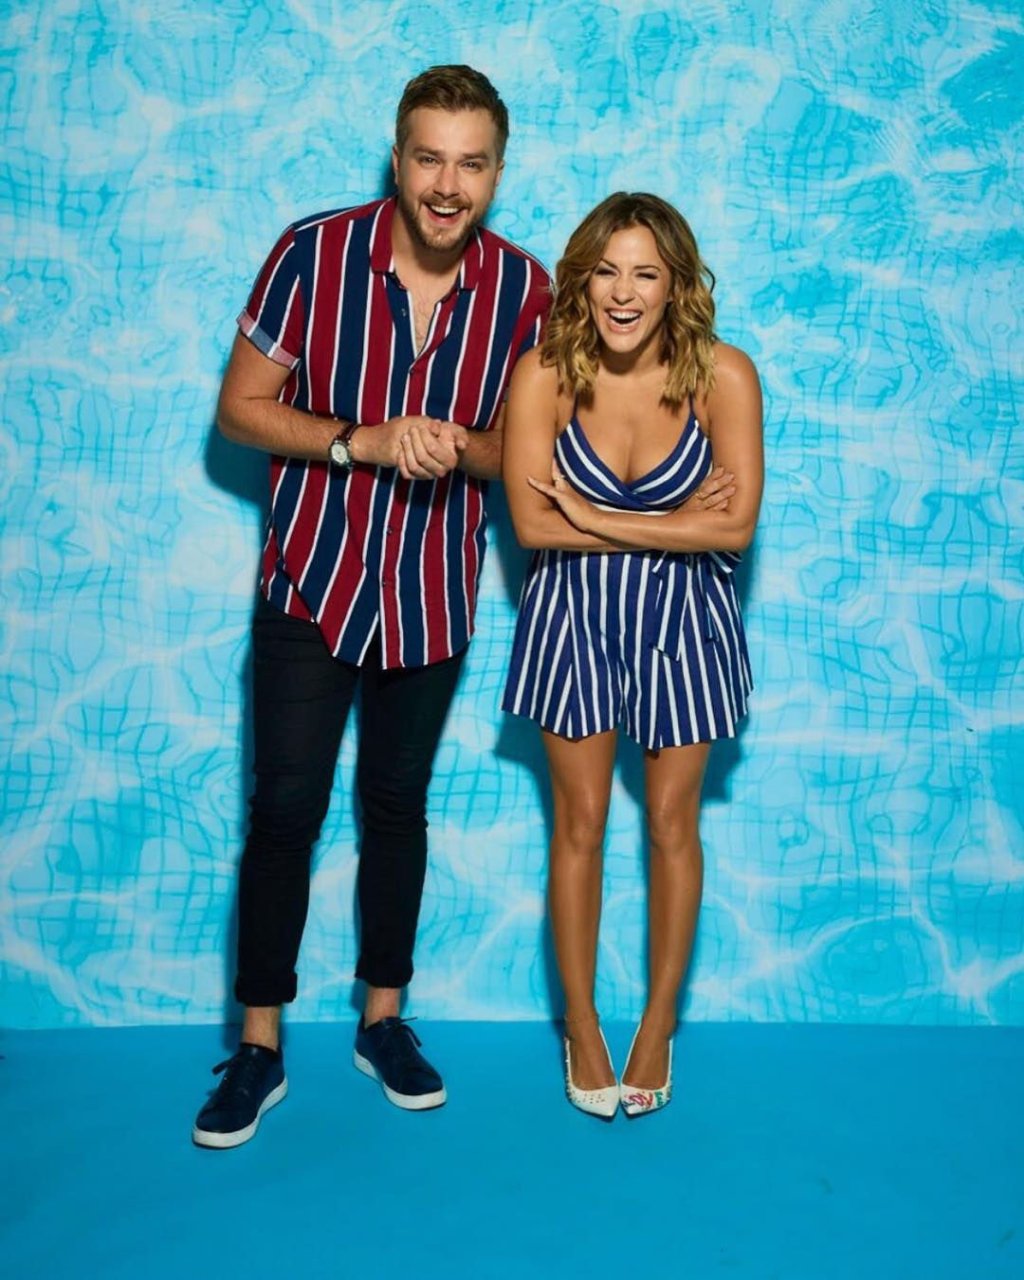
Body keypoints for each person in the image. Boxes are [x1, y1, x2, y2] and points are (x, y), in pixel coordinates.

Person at [192, 65, 550, 1148]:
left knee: (398, 806)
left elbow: (519, 452)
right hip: (311, 581)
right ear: (397, 158)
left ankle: (382, 1020)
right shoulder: (311, 254)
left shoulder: (525, 289)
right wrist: (362, 440)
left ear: (496, 172)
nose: (447, 184)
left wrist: (456, 446)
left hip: (432, 594)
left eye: (470, 164)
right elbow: (239, 410)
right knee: (284, 811)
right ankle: (259, 1044)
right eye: (428, 157)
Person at [501, 192, 762, 1117]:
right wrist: (677, 521)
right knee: (578, 825)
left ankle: (656, 1026)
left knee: (670, 824)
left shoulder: (724, 375)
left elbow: (735, 527)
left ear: (675, 285)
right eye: (607, 271)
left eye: (645, 273)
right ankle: (581, 1023)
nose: (623, 292)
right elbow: (534, 525)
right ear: (581, 280)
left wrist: (597, 515)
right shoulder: (542, 375)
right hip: (569, 619)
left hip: (688, 626)